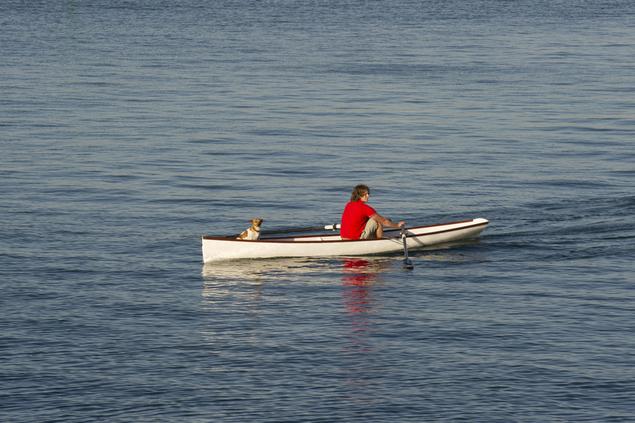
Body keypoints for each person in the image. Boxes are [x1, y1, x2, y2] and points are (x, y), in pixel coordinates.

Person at [340, 184, 405, 240]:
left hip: (343, 237)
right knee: (378, 221)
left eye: (368, 194)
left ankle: (376, 236)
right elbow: (384, 222)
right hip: (355, 238)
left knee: (384, 220)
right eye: (365, 194)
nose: (368, 196)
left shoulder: (349, 204)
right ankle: (379, 241)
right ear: (359, 196)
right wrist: (397, 225)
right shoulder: (365, 208)